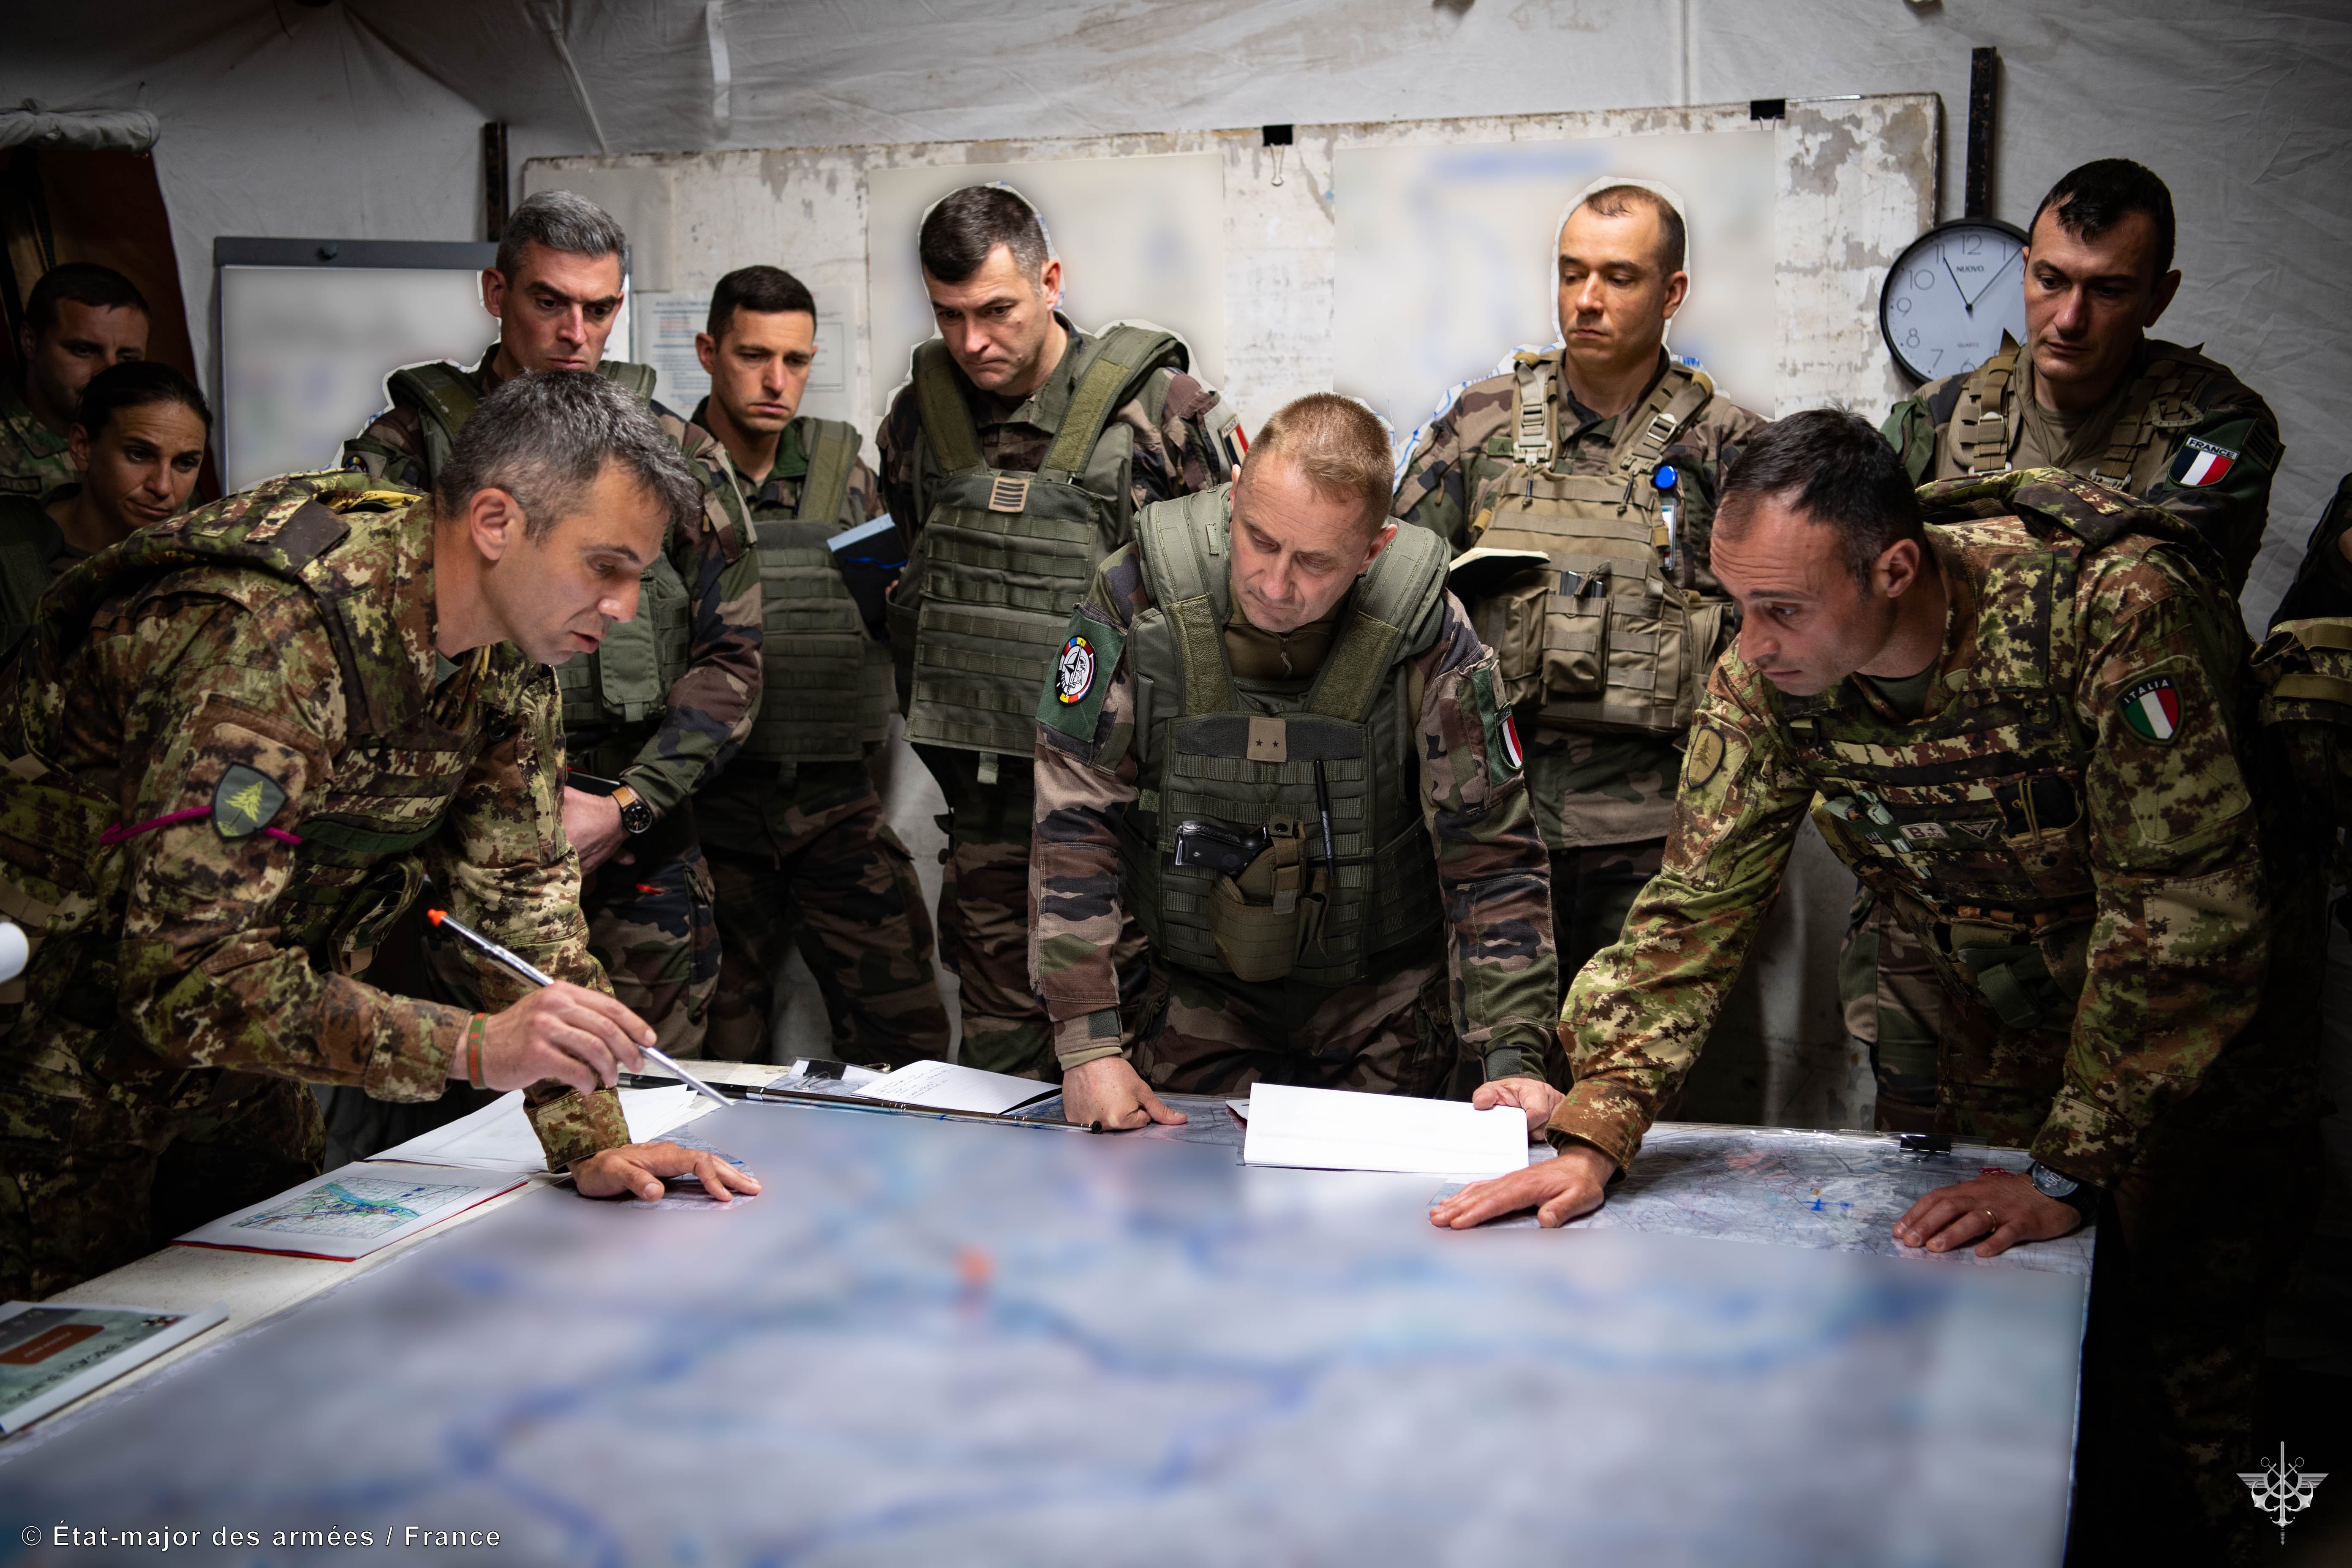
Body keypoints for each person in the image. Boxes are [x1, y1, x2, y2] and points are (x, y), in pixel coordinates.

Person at [1433, 411, 2314, 1564]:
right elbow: (1695, 908)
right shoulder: (1767, 673)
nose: (1750, 645)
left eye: (1783, 610)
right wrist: (1601, 1121)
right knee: (1986, 1319)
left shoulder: (2109, 610)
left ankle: (2257, 1532)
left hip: (2190, 1015)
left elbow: (2188, 910)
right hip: (1978, 1000)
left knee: (2195, 1346)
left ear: (1896, 570)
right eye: (1737, 604)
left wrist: (2069, 1164)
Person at [0, 372, 759, 1300]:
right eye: (606, 565)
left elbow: (519, 907)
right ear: (494, 521)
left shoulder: (510, 655)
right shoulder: (275, 641)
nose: (625, 607)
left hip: (237, 1061)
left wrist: (595, 1139)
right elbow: (184, 974)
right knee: (60, 1390)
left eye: (640, 573)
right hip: (56, 1057)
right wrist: (474, 1046)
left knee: (273, 1329)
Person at [1867, 158, 2285, 1132]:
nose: (2068, 318)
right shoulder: (1931, 420)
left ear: (2160, 295)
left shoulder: (2215, 423)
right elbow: (1872, 591)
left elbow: (2145, 573)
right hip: (1960, 854)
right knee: (1927, 1159)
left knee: (2141, 1161)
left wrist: (1959, 562)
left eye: (2106, 290)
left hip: (2134, 845)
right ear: (2023, 269)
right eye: (2050, 280)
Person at [1033, 393, 1560, 1130]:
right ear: (1235, 492)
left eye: (1315, 562)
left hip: (1380, 1010)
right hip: (1190, 1002)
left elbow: (1491, 853)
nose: (1275, 585)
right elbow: (1073, 822)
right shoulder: (1139, 593)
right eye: (1258, 539)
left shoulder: (1427, 629)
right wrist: (1087, 1045)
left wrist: (1512, 1061)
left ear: (1372, 550)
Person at [343, 190, 761, 1058]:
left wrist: (629, 806)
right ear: (498, 294)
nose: (576, 331)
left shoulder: (671, 456)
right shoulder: (407, 451)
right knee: (461, 1093)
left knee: (638, 1094)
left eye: (600, 308)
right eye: (550, 302)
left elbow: (735, 661)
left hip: (635, 837)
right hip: (451, 841)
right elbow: (366, 650)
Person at [876, 184, 1239, 1077]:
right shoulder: (918, 420)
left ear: (1052, 280)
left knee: (1151, 1069)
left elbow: (1241, 594)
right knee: (998, 1070)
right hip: (993, 816)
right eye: (949, 316)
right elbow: (917, 590)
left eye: (996, 310)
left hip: (1137, 816)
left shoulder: (1164, 411)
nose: (973, 342)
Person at [1391, 183, 1764, 990]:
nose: (1585, 300)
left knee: (1635, 1067)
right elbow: (1395, 592)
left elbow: (1777, 636)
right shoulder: (1479, 425)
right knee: (1492, 1064)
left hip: (1660, 837)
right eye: (1570, 273)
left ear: (1672, 293)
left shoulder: (1728, 445)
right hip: (1493, 816)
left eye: (1618, 278)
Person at [685, 265, 949, 1065]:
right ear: (707, 351)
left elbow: (887, 626)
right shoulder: (665, 477)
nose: (776, 381)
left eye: (795, 360)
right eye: (753, 355)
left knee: (908, 1039)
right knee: (708, 1053)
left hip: (835, 809)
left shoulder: (845, 483)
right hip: (709, 817)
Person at [0, 361, 209, 657]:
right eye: (139, 455)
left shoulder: (198, 568)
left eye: (184, 463)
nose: (163, 487)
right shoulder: (11, 548)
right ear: (82, 447)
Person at [1, 262, 150, 500]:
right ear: (30, 341)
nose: (108, 373)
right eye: (84, 351)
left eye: (126, 358)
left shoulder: (154, 441)